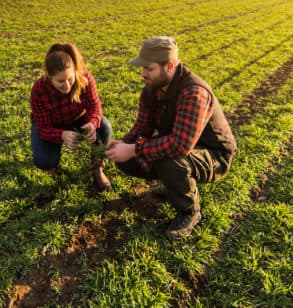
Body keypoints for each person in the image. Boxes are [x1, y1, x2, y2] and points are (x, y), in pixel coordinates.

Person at [105, 36, 237, 239]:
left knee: (170, 160)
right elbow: (142, 127)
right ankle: (173, 186)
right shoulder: (152, 88)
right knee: (129, 160)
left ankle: (190, 211)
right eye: (142, 68)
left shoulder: (194, 92)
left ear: (170, 66)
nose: (143, 73)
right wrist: (123, 144)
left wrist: (133, 149)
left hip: (214, 155)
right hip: (181, 146)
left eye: (149, 68)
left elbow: (179, 145)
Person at [30, 42, 113, 190]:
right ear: (49, 77)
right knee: (45, 161)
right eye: (60, 81)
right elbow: (42, 128)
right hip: (53, 125)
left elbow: (94, 105)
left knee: (104, 126)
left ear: (75, 71)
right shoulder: (39, 89)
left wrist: (92, 123)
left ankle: (97, 168)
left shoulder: (84, 77)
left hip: (78, 118)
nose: (67, 86)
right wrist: (62, 135)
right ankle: (51, 166)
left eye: (70, 79)